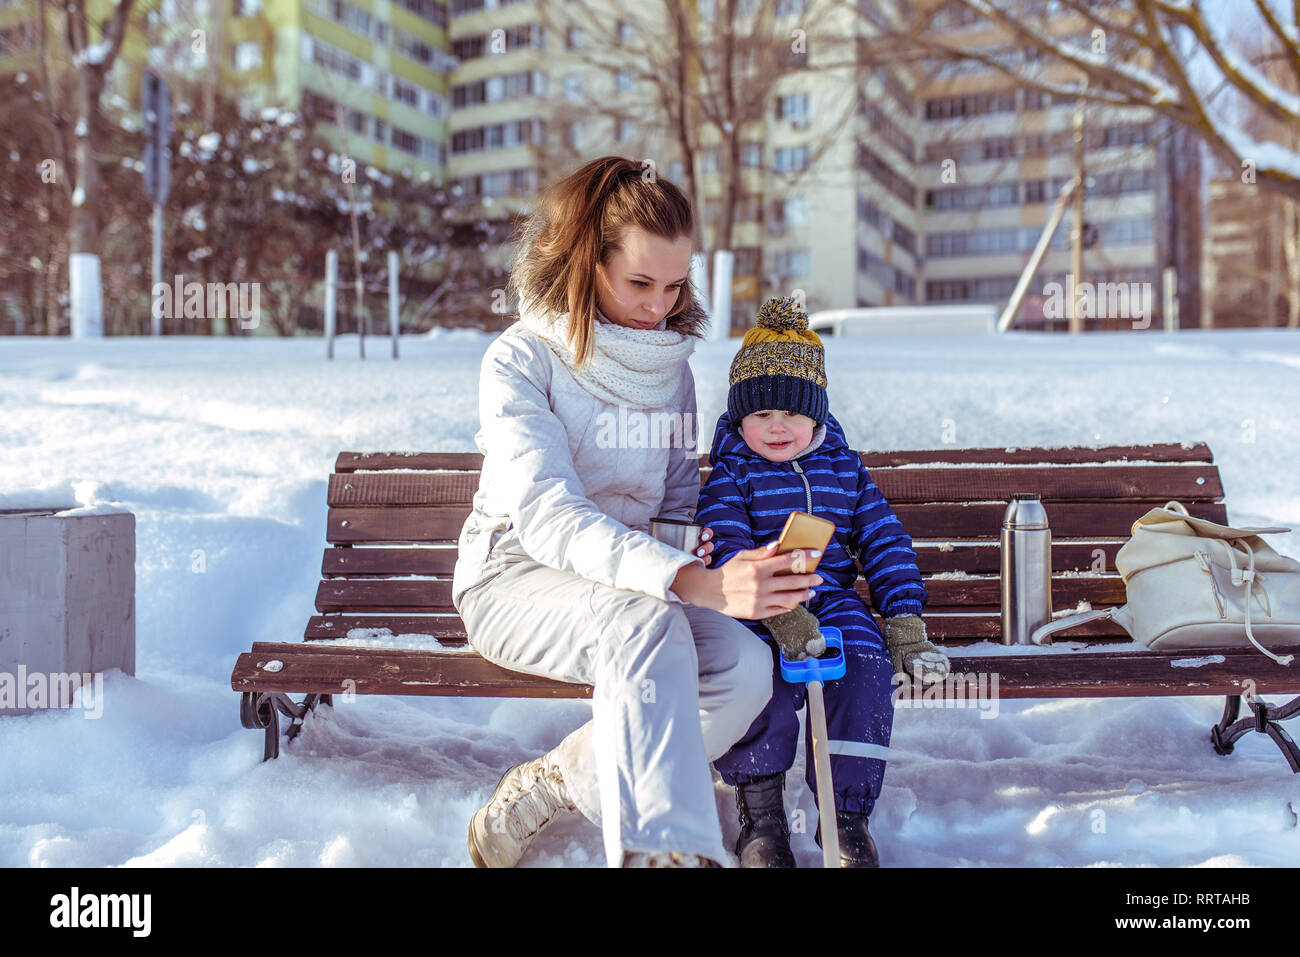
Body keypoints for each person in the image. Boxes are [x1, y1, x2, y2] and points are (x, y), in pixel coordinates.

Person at [451, 157, 823, 868]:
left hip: (632, 582)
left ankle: (557, 780)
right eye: (640, 283)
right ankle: (667, 850)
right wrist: (689, 581)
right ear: (589, 264)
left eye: (676, 285)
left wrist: (701, 550)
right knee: (643, 620)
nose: (659, 306)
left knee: (745, 669)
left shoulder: (671, 371)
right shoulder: (520, 361)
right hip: (514, 577)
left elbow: (678, 492)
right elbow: (550, 516)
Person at [696, 295, 951, 868]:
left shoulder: (843, 469)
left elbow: (883, 539)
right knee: (756, 672)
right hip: (757, 604)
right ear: (740, 417)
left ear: (816, 414)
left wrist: (904, 622)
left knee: (862, 664)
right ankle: (761, 817)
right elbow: (727, 547)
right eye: (760, 414)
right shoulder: (731, 474)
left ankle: (848, 817)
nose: (776, 426)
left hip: (832, 600)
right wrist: (778, 611)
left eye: (790, 412)